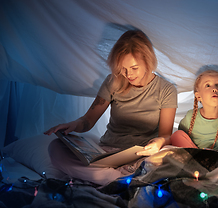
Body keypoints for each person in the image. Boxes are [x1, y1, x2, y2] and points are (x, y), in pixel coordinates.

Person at [44, 30, 177, 185]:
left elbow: (166, 136)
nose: (128, 74)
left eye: (134, 68)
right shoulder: (113, 82)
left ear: (148, 61)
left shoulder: (166, 89)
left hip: (140, 155)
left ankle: (109, 177)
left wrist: (158, 143)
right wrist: (73, 125)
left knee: (169, 156)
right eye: (123, 68)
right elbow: (88, 120)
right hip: (107, 152)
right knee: (55, 148)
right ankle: (117, 179)